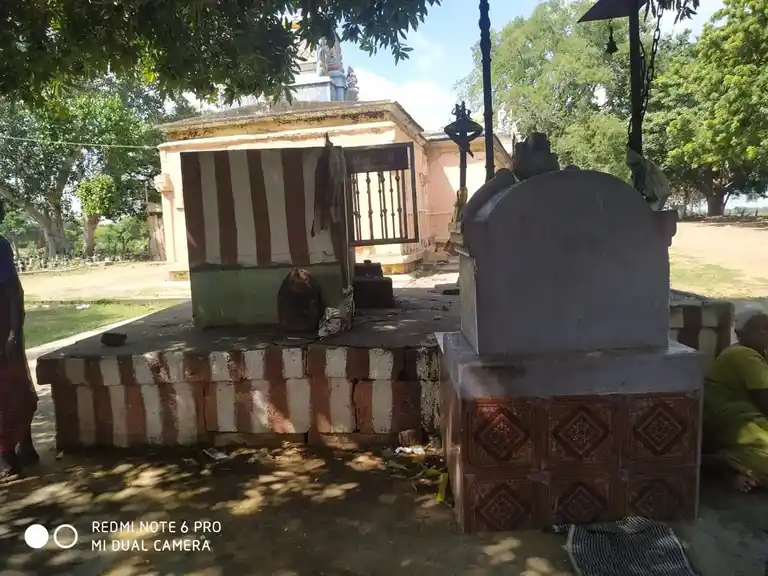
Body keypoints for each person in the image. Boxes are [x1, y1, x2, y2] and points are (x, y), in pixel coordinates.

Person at [703, 306, 768, 492]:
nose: (765, 332)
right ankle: (719, 464)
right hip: (733, 421)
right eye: (761, 328)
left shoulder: (758, 353)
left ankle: (741, 471)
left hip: (747, 420)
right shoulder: (742, 354)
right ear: (741, 333)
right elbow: (766, 401)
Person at [0, 201, 38, 479]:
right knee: (12, 390)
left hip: (3, 330)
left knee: (9, 392)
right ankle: (24, 447)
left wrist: (13, 332)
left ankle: (9, 459)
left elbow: (15, 292)